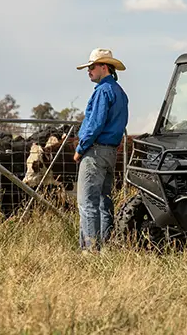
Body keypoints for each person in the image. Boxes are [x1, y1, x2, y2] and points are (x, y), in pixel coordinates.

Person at [73, 48, 129, 252]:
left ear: (103, 67)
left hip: (95, 151)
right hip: (111, 152)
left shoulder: (102, 92)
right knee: (105, 201)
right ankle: (106, 246)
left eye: (91, 67)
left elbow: (95, 124)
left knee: (87, 202)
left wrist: (81, 148)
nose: (89, 71)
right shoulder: (120, 92)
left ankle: (90, 249)